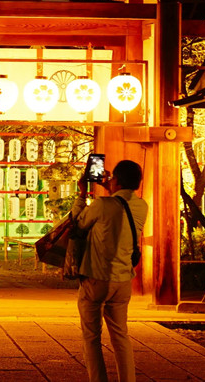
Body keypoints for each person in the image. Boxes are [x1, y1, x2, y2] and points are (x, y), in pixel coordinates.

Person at [72, 159, 148, 382]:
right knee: (120, 336)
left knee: (92, 337)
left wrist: (81, 194)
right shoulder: (142, 206)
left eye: (113, 178)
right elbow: (120, 208)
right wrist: (112, 188)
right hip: (123, 280)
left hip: (97, 278)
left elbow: (78, 223)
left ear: (117, 180)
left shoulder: (102, 205)